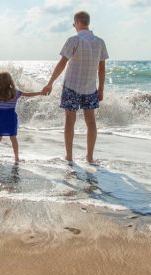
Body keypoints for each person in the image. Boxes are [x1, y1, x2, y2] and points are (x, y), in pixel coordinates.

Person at [42, 11, 108, 164]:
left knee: (69, 122)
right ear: (88, 23)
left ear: (77, 22)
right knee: (91, 123)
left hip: (71, 86)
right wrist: (101, 89)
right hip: (91, 88)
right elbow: (102, 69)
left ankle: (69, 157)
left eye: (74, 24)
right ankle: (90, 157)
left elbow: (62, 63)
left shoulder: (74, 40)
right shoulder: (100, 42)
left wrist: (50, 83)